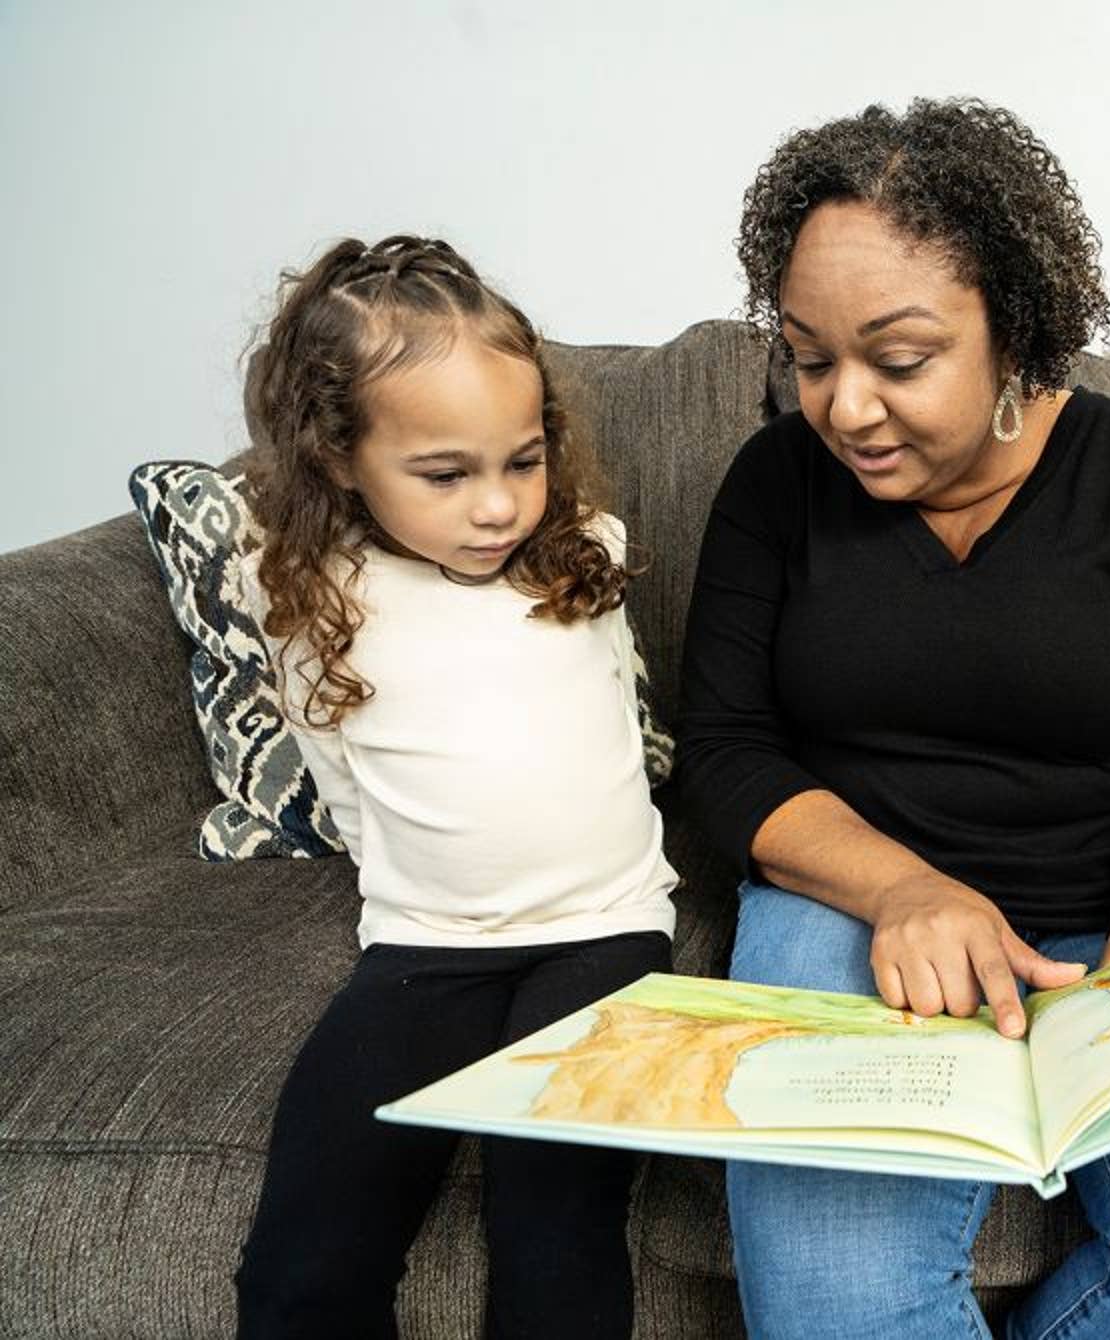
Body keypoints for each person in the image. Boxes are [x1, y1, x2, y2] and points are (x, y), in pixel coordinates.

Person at [677, 99, 1110, 1339]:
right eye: (810, 356)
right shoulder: (774, 485)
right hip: (851, 908)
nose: (844, 409)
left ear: (1018, 327)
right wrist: (904, 891)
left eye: (899, 359)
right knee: (841, 1298)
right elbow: (723, 756)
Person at [230, 235, 678, 1340]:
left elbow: (610, 733)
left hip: (606, 932)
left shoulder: (585, 557)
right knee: (303, 1261)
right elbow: (344, 782)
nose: (498, 506)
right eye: (446, 473)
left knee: (555, 1232)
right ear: (339, 456)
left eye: (522, 461)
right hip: (425, 945)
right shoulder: (310, 601)